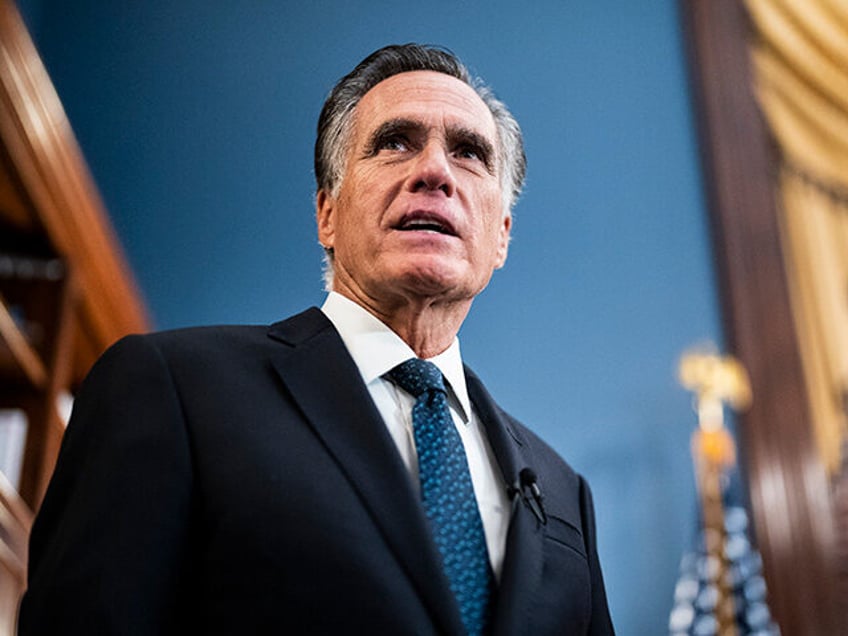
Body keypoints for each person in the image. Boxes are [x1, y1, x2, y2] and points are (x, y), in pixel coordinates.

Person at [19, 44, 614, 635]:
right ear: (326, 213)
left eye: (468, 153)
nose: (434, 171)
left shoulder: (565, 493)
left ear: (501, 236)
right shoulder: (171, 388)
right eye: (394, 142)